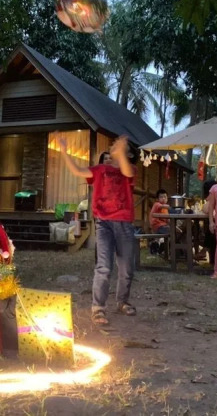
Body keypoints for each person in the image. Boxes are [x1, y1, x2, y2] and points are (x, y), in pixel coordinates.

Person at [59, 135, 137, 326]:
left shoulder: (130, 169)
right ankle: (98, 308)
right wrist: (64, 151)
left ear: (128, 155)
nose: (114, 150)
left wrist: (120, 152)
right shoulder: (100, 169)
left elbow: (127, 171)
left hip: (124, 223)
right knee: (104, 267)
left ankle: (122, 301)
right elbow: (77, 170)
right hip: (104, 223)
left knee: (126, 267)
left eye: (121, 150)